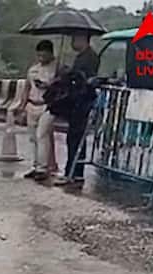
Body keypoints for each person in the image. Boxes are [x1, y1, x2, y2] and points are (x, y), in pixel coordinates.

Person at [54, 33, 100, 188]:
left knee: (76, 138)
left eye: (75, 39)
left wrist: (69, 73)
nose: (73, 42)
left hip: (83, 101)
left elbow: (83, 79)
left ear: (83, 39)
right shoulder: (81, 57)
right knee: (73, 138)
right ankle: (73, 172)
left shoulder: (90, 57)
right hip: (77, 101)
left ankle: (73, 172)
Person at [19, 40, 59, 181]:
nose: (41, 58)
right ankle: (36, 165)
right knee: (33, 138)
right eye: (39, 56)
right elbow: (26, 88)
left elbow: (60, 88)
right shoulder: (33, 69)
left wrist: (48, 85)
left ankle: (43, 167)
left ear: (51, 54)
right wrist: (22, 106)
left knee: (42, 135)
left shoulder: (57, 69)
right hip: (32, 104)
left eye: (44, 55)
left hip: (47, 106)